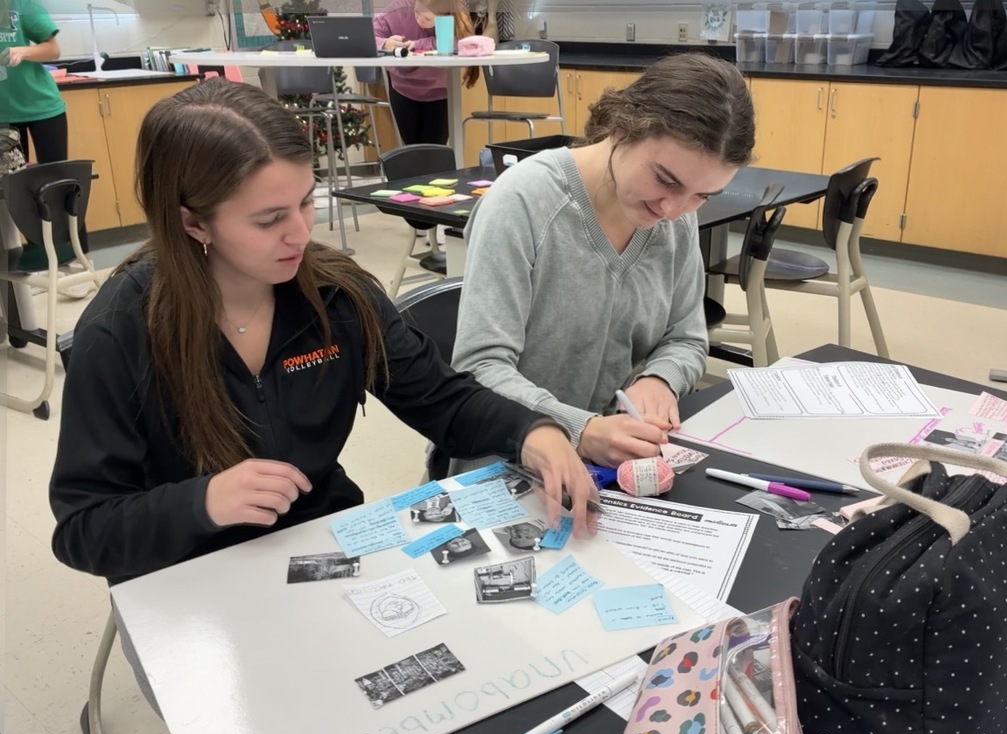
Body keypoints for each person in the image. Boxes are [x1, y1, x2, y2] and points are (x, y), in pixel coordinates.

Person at [49, 78, 598, 593]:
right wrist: (204, 502)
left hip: (320, 546)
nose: (300, 233)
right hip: (188, 571)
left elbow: (442, 399)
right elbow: (84, 529)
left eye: (307, 201)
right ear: (193, 223)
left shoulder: (338, 296)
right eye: (268, 220)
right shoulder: (120, 332)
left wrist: (532, 431)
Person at [451, 53, 755, 469]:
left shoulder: (675, 217)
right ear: (621, 128)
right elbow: (479, 368)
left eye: (703, 195)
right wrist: (581, 429)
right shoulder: (523, 202)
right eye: (666, 179)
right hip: (505, 461)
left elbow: (686, 337)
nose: (674, 209)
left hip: (610, 462)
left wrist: (659, 379)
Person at [373, 0, 477, 145]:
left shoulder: (454, 13)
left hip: (440, 92)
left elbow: (462, 42)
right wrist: (384, 44)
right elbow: (368, 37)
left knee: (434, 148)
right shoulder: (398, 10)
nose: (420, 19)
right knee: (413, 147)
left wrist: (419, 44)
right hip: (403, 89)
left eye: (427, 18)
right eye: (417, 12)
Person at [0, 0, 67, 163]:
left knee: (56, 179)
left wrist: (21, 51)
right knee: (13, 183)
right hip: (4, 115)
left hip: (43, 105)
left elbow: (53, 50)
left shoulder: (22, 4)